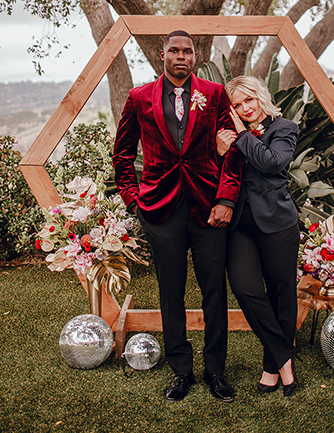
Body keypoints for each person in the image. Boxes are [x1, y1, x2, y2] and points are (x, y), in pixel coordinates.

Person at [112, 31, 241, 402]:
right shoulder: (139, 98)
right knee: (171, 292)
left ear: (196, 55)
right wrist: (133, 199)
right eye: (174, 51)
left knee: (214, 291)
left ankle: (216, 371)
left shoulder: (215, 95)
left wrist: (227, 200)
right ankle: (181, 370)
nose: (180, 56)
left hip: (208, 209)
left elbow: (232, 151)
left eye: (187, 51)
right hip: (159, 211)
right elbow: (122, 155)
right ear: (162, 54)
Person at [216, 75, 300, 397]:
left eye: (248, 100)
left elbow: (272, 163)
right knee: (245, 288)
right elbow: (213, 171)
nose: (244, 108)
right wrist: (221, 149)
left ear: (260, 96)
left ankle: (272, 366)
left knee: (281, 292)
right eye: (236, 104)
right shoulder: (230, 134)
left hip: (277, 223)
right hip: (239, 225)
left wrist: (240, 134)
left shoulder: (284, 128)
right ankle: (285, 355)